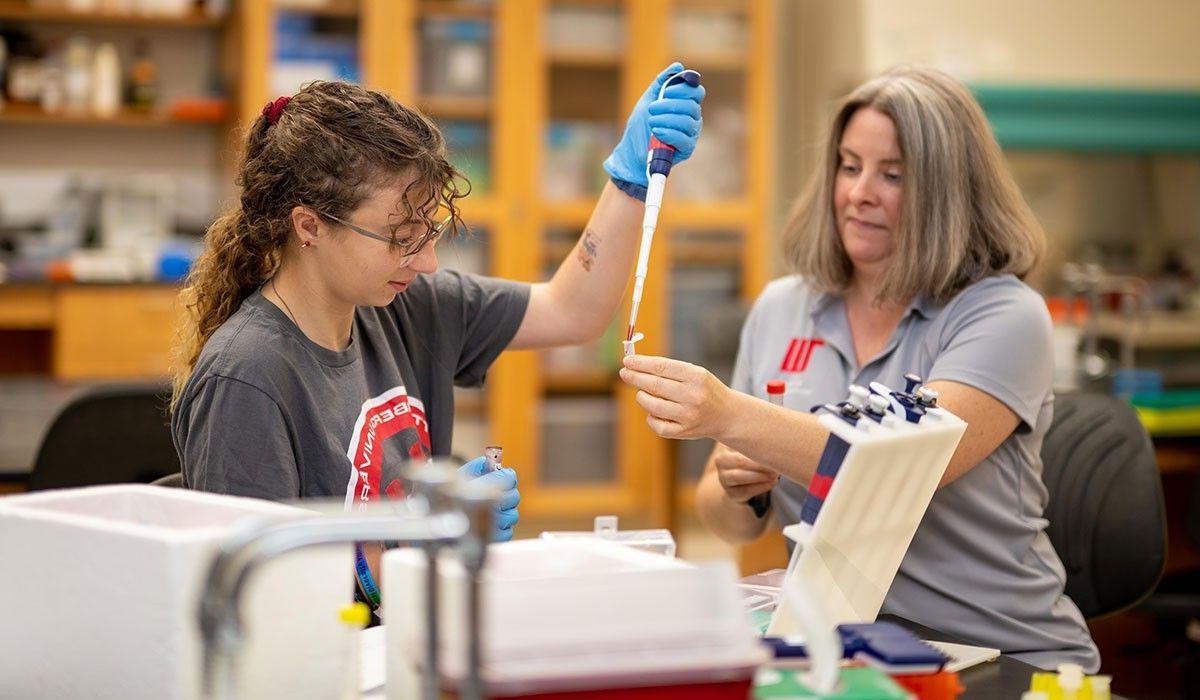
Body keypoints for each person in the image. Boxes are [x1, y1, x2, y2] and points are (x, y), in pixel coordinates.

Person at [618, 65, 1099, 671]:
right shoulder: (781, 308)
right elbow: (723, 513)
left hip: (1001, 655)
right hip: (846, 651)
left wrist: (728, 413)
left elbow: (906, 465)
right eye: (849, 166)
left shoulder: (1006, 315)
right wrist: (744, 493)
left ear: (949, 192)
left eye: (891, 175)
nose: (858, 192)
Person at [170, 68, 703, 609]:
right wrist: (423, 539)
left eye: (428, 231)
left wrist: (629, 181)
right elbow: (258, 606)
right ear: (308, 227)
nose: (426, 262)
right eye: (401, 238)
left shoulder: (402, 306)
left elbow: (572, 311)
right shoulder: (247, 379)